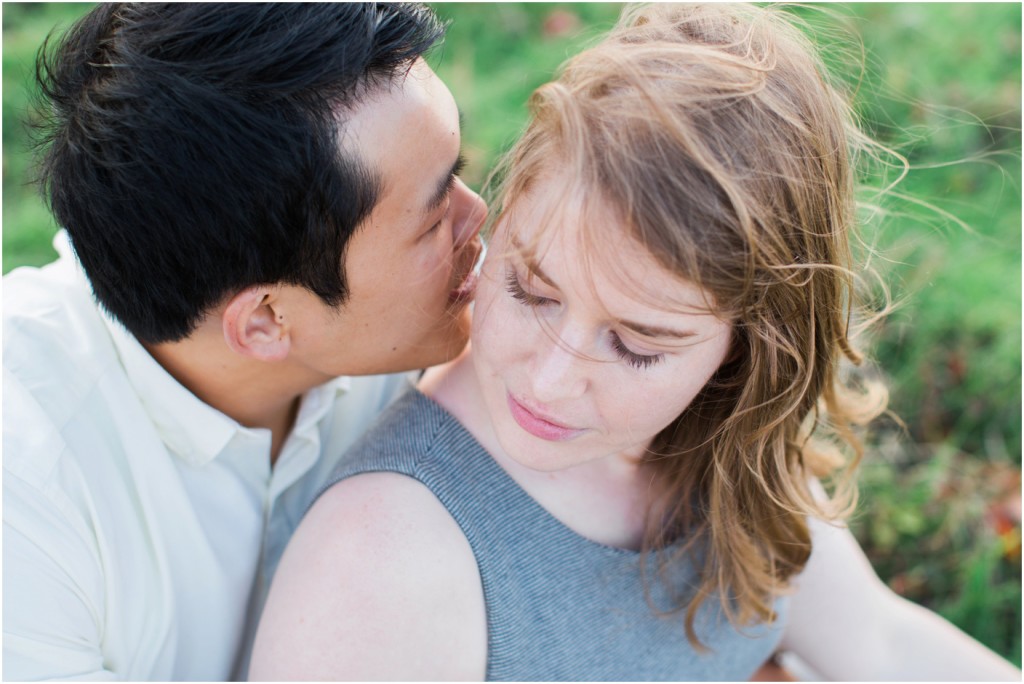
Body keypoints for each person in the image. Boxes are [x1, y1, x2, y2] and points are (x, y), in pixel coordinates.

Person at [249, 4, 1022, 681]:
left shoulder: (721, 440)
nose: (549, 382)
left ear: (749, 351)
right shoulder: (380, 561)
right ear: (507, 210)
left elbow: (877, 645)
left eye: (639, 345)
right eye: (530, 290)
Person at [2, 3, 487, 680]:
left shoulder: (389, 328)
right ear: (264, 323)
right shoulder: (26, 497)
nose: (480, 214)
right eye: (434, 217)